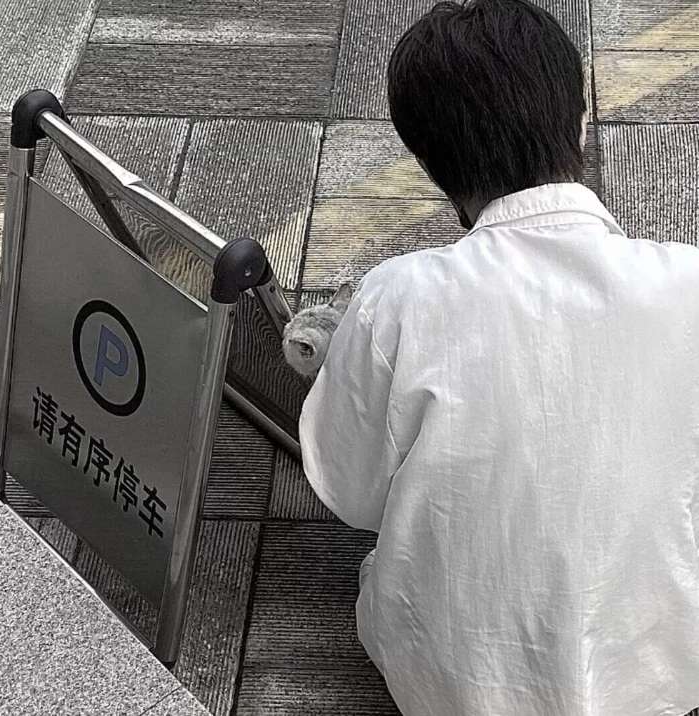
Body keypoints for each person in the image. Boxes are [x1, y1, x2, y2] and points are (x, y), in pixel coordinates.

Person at [298, 1, 699, 714]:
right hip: (659, 679)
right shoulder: (688, 283)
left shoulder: (398, 297)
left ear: (426, 162)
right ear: (580, 121)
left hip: (448, 688)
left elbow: (351, 495)